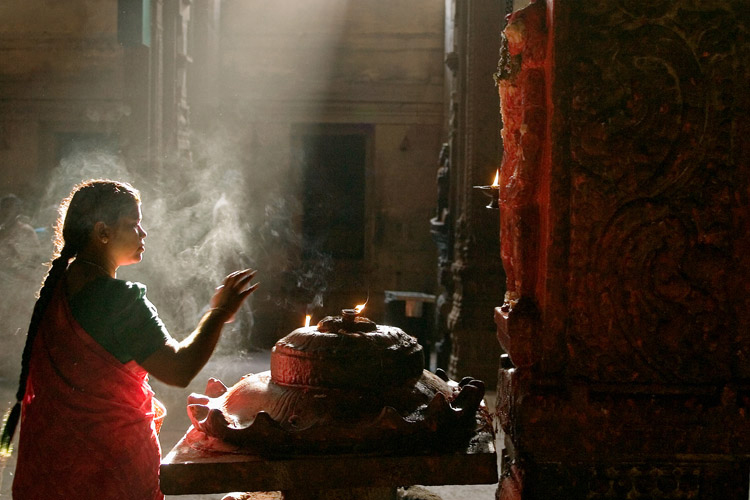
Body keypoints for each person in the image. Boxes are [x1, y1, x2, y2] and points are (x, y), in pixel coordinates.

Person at [0, 179, 259, 499]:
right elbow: (178, 369)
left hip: (55, 469)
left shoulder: (57, 289)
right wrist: (219, 313)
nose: (143, 233)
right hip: (109, 472)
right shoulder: (118, 299)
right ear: (102, 232)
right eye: (133, 224)